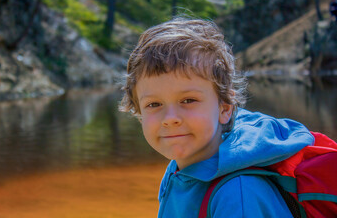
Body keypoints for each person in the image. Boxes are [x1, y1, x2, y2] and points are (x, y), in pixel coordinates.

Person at [119, 18, 314, 217]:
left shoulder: (238, 195)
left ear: (225, 108)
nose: (170, 118)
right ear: (139, 111)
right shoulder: (179, 169)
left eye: (188, 100)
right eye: (154, 104)